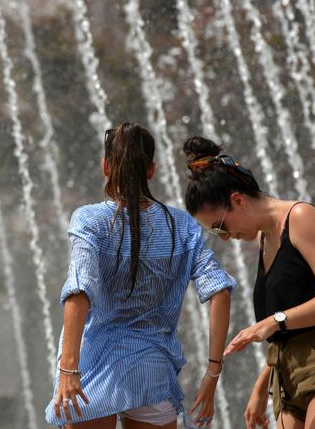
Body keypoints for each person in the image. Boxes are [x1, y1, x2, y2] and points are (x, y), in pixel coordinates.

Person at [182, 136, 315, 429]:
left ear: (237, 200)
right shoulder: (264, 239)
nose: (224, 237)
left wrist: (274, 321)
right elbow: (288, 330)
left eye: (219, 227)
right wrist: (261, 386)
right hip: (288, 381)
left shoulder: (301, 217)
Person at [45, 123, 235, 429]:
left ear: (106, 166)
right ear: (151, 170)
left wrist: (68, 369)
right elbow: (220, 291)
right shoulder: (181, 225)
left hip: (93, 369)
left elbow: (79, 290)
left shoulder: (89, 220)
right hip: (151, 371)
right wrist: (212, 372)